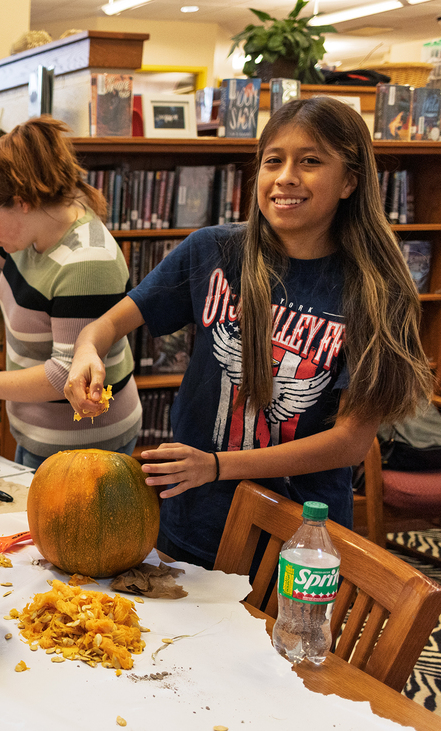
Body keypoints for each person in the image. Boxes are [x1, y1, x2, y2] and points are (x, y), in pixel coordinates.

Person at [65, 96, 433, 569]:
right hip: (191, 517)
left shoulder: (377, 290)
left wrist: (216, 466)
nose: (285, 177)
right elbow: (107, 325)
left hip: (298, 539)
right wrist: (87, 351)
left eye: (311, 161)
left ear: (350, 181)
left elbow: (349, 442)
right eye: (272, 161)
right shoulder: (212, 251)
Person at [0, 117, 142, 469]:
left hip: (84, 445)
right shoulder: (24, 234)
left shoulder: (87, 262)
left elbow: (64, 374)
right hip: (36, 433)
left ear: (21, 202)